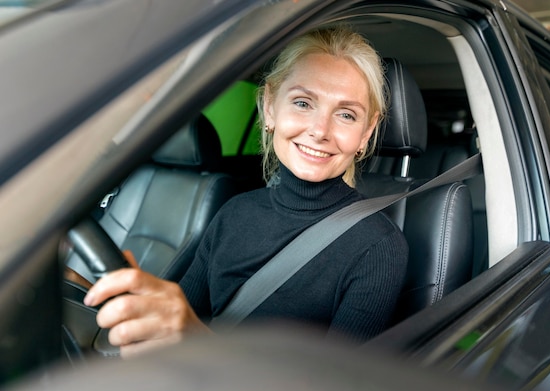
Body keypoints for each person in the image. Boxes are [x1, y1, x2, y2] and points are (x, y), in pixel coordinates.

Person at [83, 26, 409, 357]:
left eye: (345, 114)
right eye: (302, 102)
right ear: (270, 107)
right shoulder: (234, 212)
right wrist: (99, 297)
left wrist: (196, 338)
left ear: (366, 132)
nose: (320, 130)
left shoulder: (378, 247)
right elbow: (177, 323)